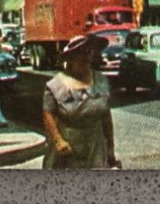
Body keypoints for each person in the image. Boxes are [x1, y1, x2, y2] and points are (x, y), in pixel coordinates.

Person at [41, 33, 121, 170]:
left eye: (89, 51)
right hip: (68, 150)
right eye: (81, 52)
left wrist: (110, 148)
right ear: (71, 58)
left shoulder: (101, 82)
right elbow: (48, 114)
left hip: (95, 149)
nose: (86, 57)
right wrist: (58, 140)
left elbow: (106, 117)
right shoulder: (55, 85)